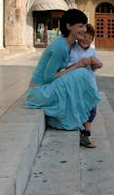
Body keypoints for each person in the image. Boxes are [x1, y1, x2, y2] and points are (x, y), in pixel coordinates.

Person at [24, 9, 101, 148]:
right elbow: (48, 78)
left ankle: (84, 119)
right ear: (68, 26)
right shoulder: (61, 46)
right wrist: (76, 66)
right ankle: (86, 120)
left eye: (85, 26)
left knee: (80, 74)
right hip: (38, 92)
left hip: (43, 90)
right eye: (80, 26)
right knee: (81, 74)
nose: (84, 30)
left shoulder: (68, 44)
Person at [68, 23, 103, 148]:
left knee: (91, 109)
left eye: (90, 37)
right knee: (79, 108)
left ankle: (86, 134)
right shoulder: (72, 50)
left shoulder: (92, 51)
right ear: (79, 36)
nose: (87, 39)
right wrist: (79, 64)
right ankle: (81, 131)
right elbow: (66, 68)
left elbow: (96, 67)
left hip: (90, 86)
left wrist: (96, 63)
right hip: (76, 86)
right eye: (84, 36)